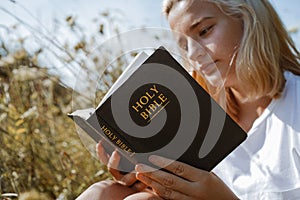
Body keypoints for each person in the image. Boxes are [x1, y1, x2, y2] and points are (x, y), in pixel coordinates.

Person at [76, 0, 300, 199]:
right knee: (106, 192)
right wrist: (147, 182)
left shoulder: (294, 104)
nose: (192, 54)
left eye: (204, 31)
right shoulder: (194, 115)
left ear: (249, 18)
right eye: (183, 45)